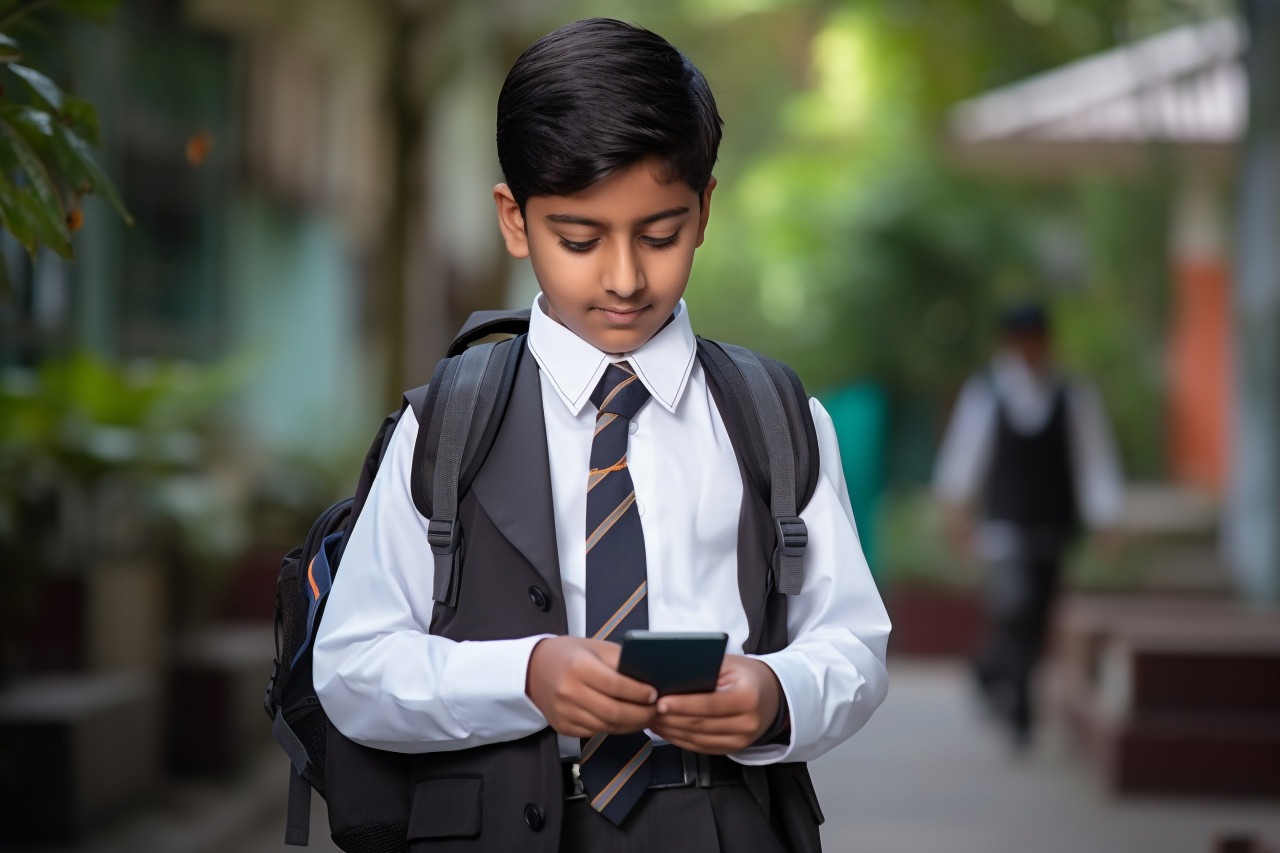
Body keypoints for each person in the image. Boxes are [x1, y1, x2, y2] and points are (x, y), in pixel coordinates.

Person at [312, 18, 890, 853]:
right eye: (579, 240)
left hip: (718, 820)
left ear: (704, 210)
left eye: (660, 235)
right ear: (515, 219)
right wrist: (526, 675)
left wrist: (776, 689)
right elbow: (353, 666)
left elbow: (853, 640)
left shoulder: (773, 416)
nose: (624, 277)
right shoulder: (446, 421)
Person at [932, 302, 1123, 748]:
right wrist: (956, 514)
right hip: (1003, 527)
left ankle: (989, 672)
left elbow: (1093, 462)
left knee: (1037, 616)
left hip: (1052, 525)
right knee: (1015, 610)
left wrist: (1105, 518)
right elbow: (965, 457)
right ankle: (1020, 709)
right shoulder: (988, 394)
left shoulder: (1072, 396)